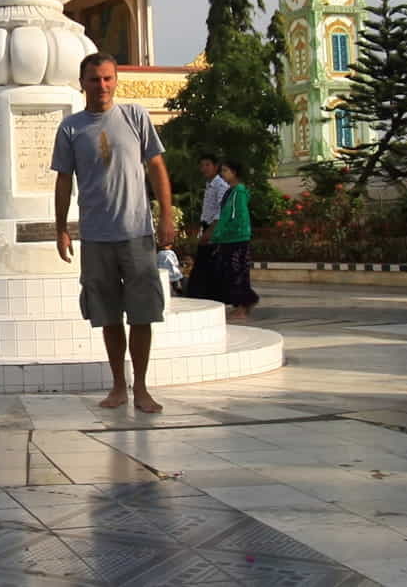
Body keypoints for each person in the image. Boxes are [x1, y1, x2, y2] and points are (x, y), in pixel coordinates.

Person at [53, 53, 176, 413]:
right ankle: (118, 385)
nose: (102, 86)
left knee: (142, 313)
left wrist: (166, 215)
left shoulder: (135, 116)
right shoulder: (70, 128)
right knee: (107, 315)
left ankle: (141, 387)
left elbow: (156, 165)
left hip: (136, 231)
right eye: (94, 79)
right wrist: (61, 228)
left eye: (107, 78)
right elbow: (63, 181)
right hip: (95, 236)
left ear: (116, 81)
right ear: (82, 83)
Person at [210, 160, 258, 320]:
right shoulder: (231, 191)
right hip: (228, 238)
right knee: (231, 272)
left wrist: (222, 233)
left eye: (225, 170)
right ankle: (243, 303)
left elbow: (236, 216)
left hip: (236, 238)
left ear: (234, 172)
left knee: (237, 272)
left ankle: (243, 306)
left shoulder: (238, 191)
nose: (222, 174)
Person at [183, 157, 229, 301]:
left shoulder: (221, 186)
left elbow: (222, 211)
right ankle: (202, 295)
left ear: (216, 167)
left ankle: (211, 296)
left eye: (208, 165)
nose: (204, 168)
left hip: (215, 229)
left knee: (209, 264)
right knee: (204, 264)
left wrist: (210, 231)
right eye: (202, 165)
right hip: (207, 227)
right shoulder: (209, 186)